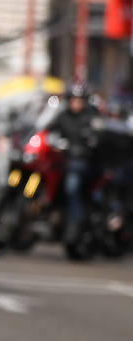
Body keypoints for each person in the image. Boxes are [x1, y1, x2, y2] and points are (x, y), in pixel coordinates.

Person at [49, 82, 99, 244]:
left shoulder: (91, 117)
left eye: (79, 100)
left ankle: (74, 222)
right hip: (62, 161)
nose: (76, 103)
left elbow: (96, 138)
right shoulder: (62, 116)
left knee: (72, 184)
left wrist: (84, 147)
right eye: (73, 100)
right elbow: (48, 130)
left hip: (82, 163)